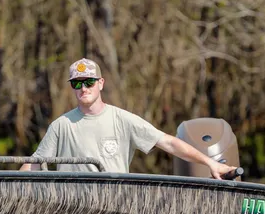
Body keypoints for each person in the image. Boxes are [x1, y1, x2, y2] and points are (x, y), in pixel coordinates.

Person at [19, 58, 238, 178]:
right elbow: (35, 164)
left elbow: (169, 143)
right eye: (77, 83)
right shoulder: (60, 125)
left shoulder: (123, 120)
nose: (83, 88)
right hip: (71, 211)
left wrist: (211, 163)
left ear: (101, 83)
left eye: (89, 82)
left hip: (113, 207)